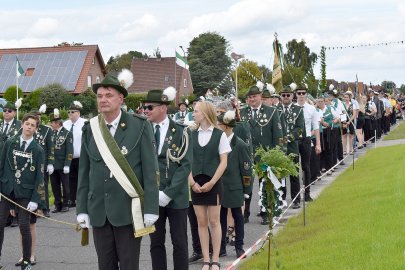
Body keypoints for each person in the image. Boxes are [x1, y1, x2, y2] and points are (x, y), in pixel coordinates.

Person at [76, 71, 159, 270]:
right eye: (99, 96)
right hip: (99, 211)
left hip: (128, 211)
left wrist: (151, 207)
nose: (103, 100)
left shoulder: (139, 126)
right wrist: (82, 208)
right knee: (105, 265)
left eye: (108, 95)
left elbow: (150, 171)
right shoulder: (90, 128)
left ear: (121, 98)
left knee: (129, 265)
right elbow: (84, 173)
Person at [143, 88, 193, 270]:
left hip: (176, 196)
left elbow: (185, 165)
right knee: (156, 242)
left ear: (163, 108)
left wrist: (168, 193)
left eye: (149, 107)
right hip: (152, 195)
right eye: (144, 107)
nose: (145, 110)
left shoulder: (181, 131)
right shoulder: (143, 130)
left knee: (179, 242)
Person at [189, 101, 231, 270]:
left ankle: (216, 259)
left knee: (214, 221)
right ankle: (206, 259)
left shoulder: (219, 135)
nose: (193, 114)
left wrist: (212, 182)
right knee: (201, 222)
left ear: (205, 113)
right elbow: (186, 162)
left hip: (213, 182)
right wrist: (192, 183)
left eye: (196, 111)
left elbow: (224, 162)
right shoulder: (190, 134)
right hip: (195, 184)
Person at [0, 113, 45, 270]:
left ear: (36, 129)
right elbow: (2, 165)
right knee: (0, 225)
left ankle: (26, 262)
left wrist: (35, 199)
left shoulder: (38, 150)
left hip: (25, 194)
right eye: (27, 124)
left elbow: (40, 177)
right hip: (7, 190)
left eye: (33, 125)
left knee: (24, 226)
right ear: (22, 124)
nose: (29, 127)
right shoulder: (10, 143)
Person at [240, 85, 283, 224]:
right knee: (247, 184)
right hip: (247, 156)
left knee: (265, 183)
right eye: (250, 97)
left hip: (265, 156)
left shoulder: (271, 111)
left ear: (260, 97)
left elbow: (278, 135)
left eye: (255, 96)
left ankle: (265, 212)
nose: (252, 99)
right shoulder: (242, 112)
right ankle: (245, 213)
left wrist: (277, 155)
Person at [217, 110, 252, 259]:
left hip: (235, 187)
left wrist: (246, 189)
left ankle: (239, 246)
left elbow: (246, 168)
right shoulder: (217, 142)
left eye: (218, 124)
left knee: (238, 216)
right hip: (220, 187)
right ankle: (221, 247)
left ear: (226, 126)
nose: (216, 127)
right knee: (220, 217)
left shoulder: (240, 144)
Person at [279, 85, 305, 208]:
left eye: (288, 95)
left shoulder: (298, 110)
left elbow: (300, 128)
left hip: (292, 146)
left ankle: (296, 199)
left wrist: (288, 138)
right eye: (283, 95)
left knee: (294, 174)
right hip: (279, 147)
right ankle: (281, 199)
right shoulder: (275, 109)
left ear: (292, 96)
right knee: (280, 174)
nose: (286, 97)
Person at [0, 101, 22, 227]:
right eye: (4, 111)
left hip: (12, 161)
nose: (6, 113)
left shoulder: (19, 125)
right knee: (3, 187)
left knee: (13, 187)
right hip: (1, 160)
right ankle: (6, 216)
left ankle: (15, 216)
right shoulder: (0, 125)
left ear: (14, 112)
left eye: (9, 111)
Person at [31, 105, 55, 218]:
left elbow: (51, 147)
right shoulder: (28, 128)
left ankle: (45, 208)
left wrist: (50, 162)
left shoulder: (46, 130)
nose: (38, 118)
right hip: (30, 163)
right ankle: (34, 209)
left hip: (43, 163)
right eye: (36, 116)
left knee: (43, 186)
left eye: (39, 116)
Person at [63, 101, 86, 208]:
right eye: (69, 112)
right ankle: (71, 199)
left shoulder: (85, 123)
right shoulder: (65, 124)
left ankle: (82, 199)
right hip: (69, 157)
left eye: (73, 112)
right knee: (70, 179)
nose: (70, 114)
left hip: (81, 156)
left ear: (78, 113)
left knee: (82, 179)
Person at [49, 110, 73, 213]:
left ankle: (66, 204)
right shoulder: (51, 133)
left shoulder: (67, 133)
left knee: (65, 185)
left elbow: (69, 150)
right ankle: (57, 204)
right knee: (55, 186)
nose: (51, 124)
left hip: (63, 164)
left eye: (52, 122)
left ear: (57, 123)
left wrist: (67, 164)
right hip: (53, 164)